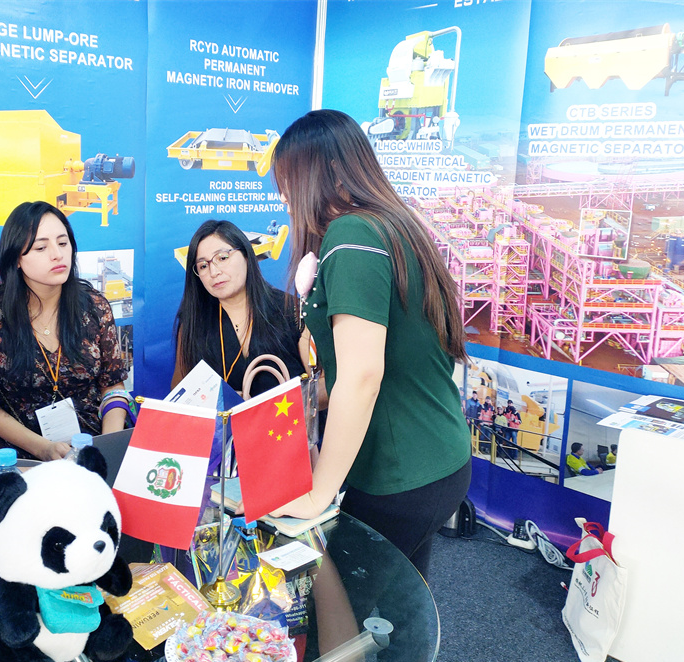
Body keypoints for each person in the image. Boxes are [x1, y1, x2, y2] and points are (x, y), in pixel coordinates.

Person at [268, 109, 471, 579]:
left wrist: (320, 492)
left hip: (397, 475)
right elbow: (394, 359)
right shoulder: (395, 225)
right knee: (398, 614)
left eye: (287, 182)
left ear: (323, 173)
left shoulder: (352, 234)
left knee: (341, 619)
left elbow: (362, 375)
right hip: (439, 459)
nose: (284, 198)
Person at [0, 201, 129, 461]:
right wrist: (44, 449)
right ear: (16, 258)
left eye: (63, 243)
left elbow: (112, 385)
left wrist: (106, 448)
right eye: (41, 247)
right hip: (26, 458)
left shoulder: (94, 306)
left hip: (92, 449)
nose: (57, 254)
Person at [171, 219, 309, 396]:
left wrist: (274, 406)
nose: (214, 272)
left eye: (222, 258)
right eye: (203, 266)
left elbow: (323, 385)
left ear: (246, 255)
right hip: (227, 423)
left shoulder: (292, 310)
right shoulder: (194, 320)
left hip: (289, 420)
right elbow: (180, 392)